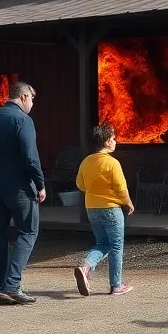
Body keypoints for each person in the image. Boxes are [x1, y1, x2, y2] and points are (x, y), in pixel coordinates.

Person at [0, 81, 45, 305]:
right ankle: (12, 286)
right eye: (32, 99)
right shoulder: (23, 120)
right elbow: (30, 157)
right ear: (23, 97)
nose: (32, 104)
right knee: (28, 232)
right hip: (19, 189)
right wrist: (40, 184)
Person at [73, 123, 135, 297]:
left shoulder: (86, 161)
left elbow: (81, 185)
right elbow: (121, 188)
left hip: (92, 208)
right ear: (107, 141)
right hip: (112, 209)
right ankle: (116, 285)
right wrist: (129, 203)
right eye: (113, 138)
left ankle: (85, 268)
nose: (115, 141)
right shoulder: (112, 163)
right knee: (116, 246)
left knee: (102, 243)